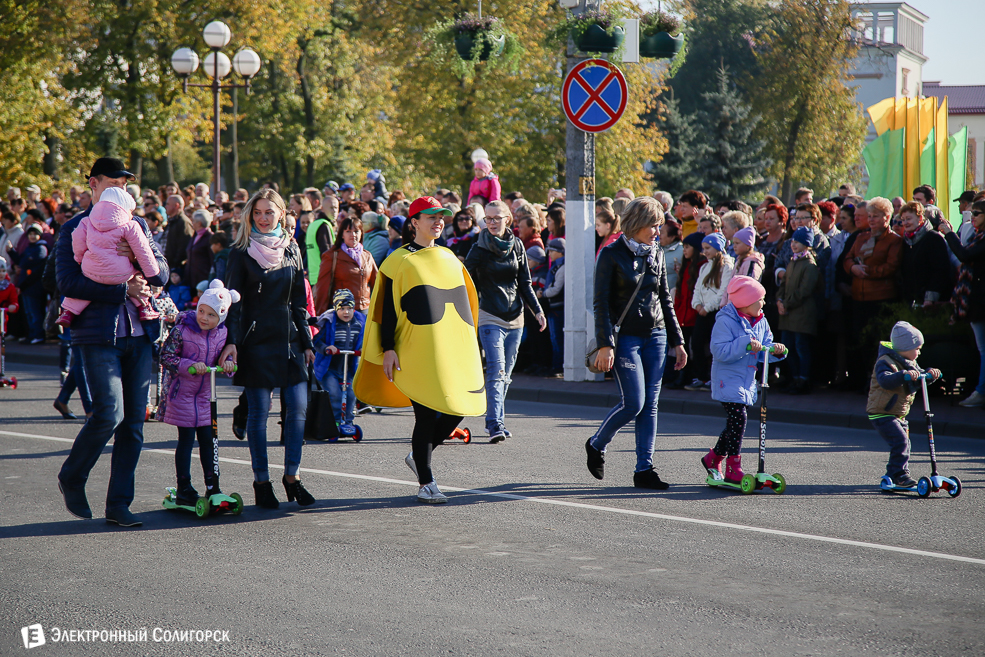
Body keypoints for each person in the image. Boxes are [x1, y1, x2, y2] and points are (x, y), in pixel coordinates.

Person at [56, 157, 170, 527]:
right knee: (110, 413)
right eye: (113, 182)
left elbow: (163, 272)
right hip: (97, 335)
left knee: (134, 423)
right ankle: (73, 475)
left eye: (125, 183)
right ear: (93, 184)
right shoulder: (76, 226)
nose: (120, 188)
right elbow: (64, 282)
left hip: (139, 334)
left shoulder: (136, 223)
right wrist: (121, 289)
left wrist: (139, 256)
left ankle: (118, 504)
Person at [354, 196, 485, 504]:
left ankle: (418, 455)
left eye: (441, 217)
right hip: (411, 349)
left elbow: (465, 309)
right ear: (413, 223)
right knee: (425, 414)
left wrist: (469, 350)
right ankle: (426, 482)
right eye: (430, 217)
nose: (438, 221)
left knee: (459, 407)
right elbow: (385, 310)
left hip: (447, 351)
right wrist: (388, 348)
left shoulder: (449, 257)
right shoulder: (398, 260)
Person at [221, 188, 315, 509]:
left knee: (298, 410)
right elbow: (232, 306)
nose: (262, 218)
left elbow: (300, 303)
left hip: (290, 340)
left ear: (281, 214)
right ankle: (262, 481)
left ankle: (293, 477)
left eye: (268, 213)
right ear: (250, 216)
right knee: (259, 415)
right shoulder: (240, 252)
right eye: (257, 213)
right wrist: (231, 342)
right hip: (255, 342)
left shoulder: (292, 248)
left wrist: (307, 342)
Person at [586, 197, 687, 489]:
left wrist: (677, 341)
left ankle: (644, 469)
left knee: (651, 405)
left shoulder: (655, 252)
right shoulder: (610, 254)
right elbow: (600, 304)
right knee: (634, 403)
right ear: (636, 223)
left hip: (656, 335)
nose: (657, 231)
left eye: (659, 226)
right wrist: (606, 344)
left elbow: (665, 299)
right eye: (653, 226)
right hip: (625, 338)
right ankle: (596, 444)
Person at [465, 200, 546, 441]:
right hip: (489, 316)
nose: (491, 223)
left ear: (507, 219)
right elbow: (465, 282)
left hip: (516, 318)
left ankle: (498, 418)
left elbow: (525, 283)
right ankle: (494, 424)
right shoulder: (478, 249)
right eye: (487, 219)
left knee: (506, 374)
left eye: (496, 218)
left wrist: (537, 310)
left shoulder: (517, 245)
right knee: (496, 371)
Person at [158, 281, 238, 505]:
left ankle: (213, 487)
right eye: (201, 311)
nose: (204, 317)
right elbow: (166, 357)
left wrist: (229, 363)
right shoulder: (182, 329)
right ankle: (184, 486)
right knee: (186, 441)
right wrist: (189, 365)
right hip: (182, 394)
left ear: (221, 318)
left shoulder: (221, 334)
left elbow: (224, 357)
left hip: (205, 397)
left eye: (211, 315)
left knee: (209, 440)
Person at [700, 276, 786, 483]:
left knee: (734, 423)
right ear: (746, 302)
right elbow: (719, 351)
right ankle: (733, 467)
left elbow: (763, 347)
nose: (764, 303)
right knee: (739, 419)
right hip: (727, 380)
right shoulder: (725, 320)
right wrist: (745, 344)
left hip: (746, 381)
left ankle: (713, 458)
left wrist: (775, 350)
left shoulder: (761, 321)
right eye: (760, 299)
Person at [56, 187, 160, 328]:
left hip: (91, 269)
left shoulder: (86, 221)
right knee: (137, 277)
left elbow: (77, 240)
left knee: (84, 287)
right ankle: (144, 308)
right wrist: (152, 274)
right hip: (121, 272)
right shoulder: (130, 225)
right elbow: (143, 252)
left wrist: (80, 258)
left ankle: (68, 312)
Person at [868, 322, 941, 490]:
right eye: (917, 348)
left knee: (905, 443)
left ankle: (899, 472)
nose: (919, 352)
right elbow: (885, 381)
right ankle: (898, 474)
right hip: (882, 412)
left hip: (898, 413)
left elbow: (920, 376)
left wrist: (930, 374)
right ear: (904, 347)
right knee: (900, 441)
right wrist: (903, 375)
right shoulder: (885, 361)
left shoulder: (909, 362)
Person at [938, 200, 985, 407]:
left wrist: (949, 233)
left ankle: (981, 392)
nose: (972, 216)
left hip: (981, 302)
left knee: (984, 349)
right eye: (971, 212)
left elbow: (964, 254)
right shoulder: (977, 235)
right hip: (975, 301)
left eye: (977, 213)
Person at [686, 232, 734, 391]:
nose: (704, 252)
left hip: (714, 313)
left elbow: (723, 291)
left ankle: (715, 378)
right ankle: (701, 376)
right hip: (702, 312)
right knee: (697, 343)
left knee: (715, 346)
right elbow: (698, 289)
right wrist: (697, 305)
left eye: (708, 248)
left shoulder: (726, 266)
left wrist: (707, 308)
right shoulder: (705, 266)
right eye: (703, 248)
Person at [313, 288, 365, 427]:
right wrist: (326, 348)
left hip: (348, 368)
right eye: (342, 308)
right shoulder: (330, 322)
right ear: (336, 308)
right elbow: (317, 341)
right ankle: (335, 421)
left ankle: (348, 422)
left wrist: (362, 349)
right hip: (330, 368)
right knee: (334, 394)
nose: (346, 312)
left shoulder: (359, 323)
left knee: (352, 394)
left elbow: (365, 340)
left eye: (349, 308)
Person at [776, 227, 820, 394]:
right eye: (793, 241)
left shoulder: (809, 265)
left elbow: (804, 291)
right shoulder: (792, 261)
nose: (793, 244)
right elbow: (783, 285)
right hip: (787, 315)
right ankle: (794, 378)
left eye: (798, 242)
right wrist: (779, 300)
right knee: (788, 348)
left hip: (801, 315)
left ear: (807, 244)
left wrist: (786, 304)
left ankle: (803, 379)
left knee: (801, 348)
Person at [313, 217, 378, 315]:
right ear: (342, 234)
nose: (353, 235)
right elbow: (323, 288)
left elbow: (378, 284)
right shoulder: (331, 255)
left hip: (364, 311)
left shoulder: (367, 256)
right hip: (341, 311)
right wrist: (320, 315)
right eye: (348, 231)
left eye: (356, 231)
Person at [899, 201, 951, 308]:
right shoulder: (905, 241)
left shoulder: (933, 238)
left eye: (908, 219)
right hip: (911, 299)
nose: (905, 223)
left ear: (920, 218)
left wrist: (930, 297)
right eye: (903, 220)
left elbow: (940, 270)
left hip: (930, 302)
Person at [7, 223, 48, 343]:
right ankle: (32, 335)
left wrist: (23, 263)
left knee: (35, 312)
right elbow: (22, 261)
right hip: (25, 286)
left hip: (34, 287)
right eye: (30, 234)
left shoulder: (41, 248)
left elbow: (26, 263)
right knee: (29, 313)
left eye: (35, 234)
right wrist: (11, 252)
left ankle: (38, 335)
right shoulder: (29, 248)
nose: (32, 236)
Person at [541, 238, 565, 377]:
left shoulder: (561, 268)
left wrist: (543, 293)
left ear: (559, 252)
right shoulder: (556, 266)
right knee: (554, 338)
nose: (549, 253)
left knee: (557, 338)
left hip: (557, 307)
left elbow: (556, 289)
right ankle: (556, 365)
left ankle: (558, 367)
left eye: (551, 250)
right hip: (552, 307)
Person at [184, 209, 214, 290]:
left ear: (199, 223)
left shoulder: (210, 238)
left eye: (193, 221)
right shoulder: (195, 235)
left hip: (203, 278)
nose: (192, 222)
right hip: (191, 277)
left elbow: (212, 259)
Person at [659, 219, 682, 290]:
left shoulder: (682, 252)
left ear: (672, 237)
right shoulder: (656, 249)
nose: (658, 235)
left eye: (662, 233)